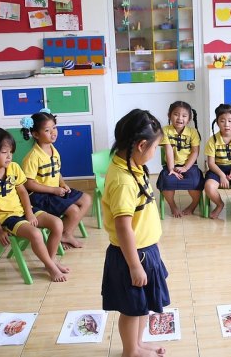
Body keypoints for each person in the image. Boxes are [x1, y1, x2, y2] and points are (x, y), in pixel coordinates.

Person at [101, 109, 169, 357]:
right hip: (132, 256)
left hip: (144, 251)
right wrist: (134, 266)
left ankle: (137, 345)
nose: (155, 153)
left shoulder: (131, 164)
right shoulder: (123, 180)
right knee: (131, 309)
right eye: (155, 148)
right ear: (141, 145)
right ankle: (130, 351)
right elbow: (123, 227)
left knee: (142, 307)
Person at [0, 128, 69, 282]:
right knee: (36, 234)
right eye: (4, 152)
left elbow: (23, 192)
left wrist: (29, 213)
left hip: (24, 211)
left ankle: (50, 261)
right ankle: (51, 267)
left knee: (57, 223)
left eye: (11, 152)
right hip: (6, 219)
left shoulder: (14, 168)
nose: (9, 156)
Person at [20, 109, 92, 249]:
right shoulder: (33, 157)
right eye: (47, 130)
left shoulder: (53, 149)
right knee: (73, 210)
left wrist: (63, 184)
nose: (53, 132)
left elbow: (56, 171)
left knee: (87, 199)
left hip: (56, 191)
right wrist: (53, 190)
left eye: (54, 128)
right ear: (35, 134)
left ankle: (66, 234)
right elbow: (28, 184)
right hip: (41, 196)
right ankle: (63, 235)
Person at [156, 101, 205, 217]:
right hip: (171, 165)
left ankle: (193, 206)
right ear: (169, 115)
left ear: (189, 119)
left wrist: (185, 167)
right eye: (176, 114)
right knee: (167, 181)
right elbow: (168, 150)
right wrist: (172, 169)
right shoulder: (165, 131)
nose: (180, 118)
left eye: (184, 115)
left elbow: (195, 151)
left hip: (190, 165)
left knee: (195, 182)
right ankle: (173, 206)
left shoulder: (193, 132)